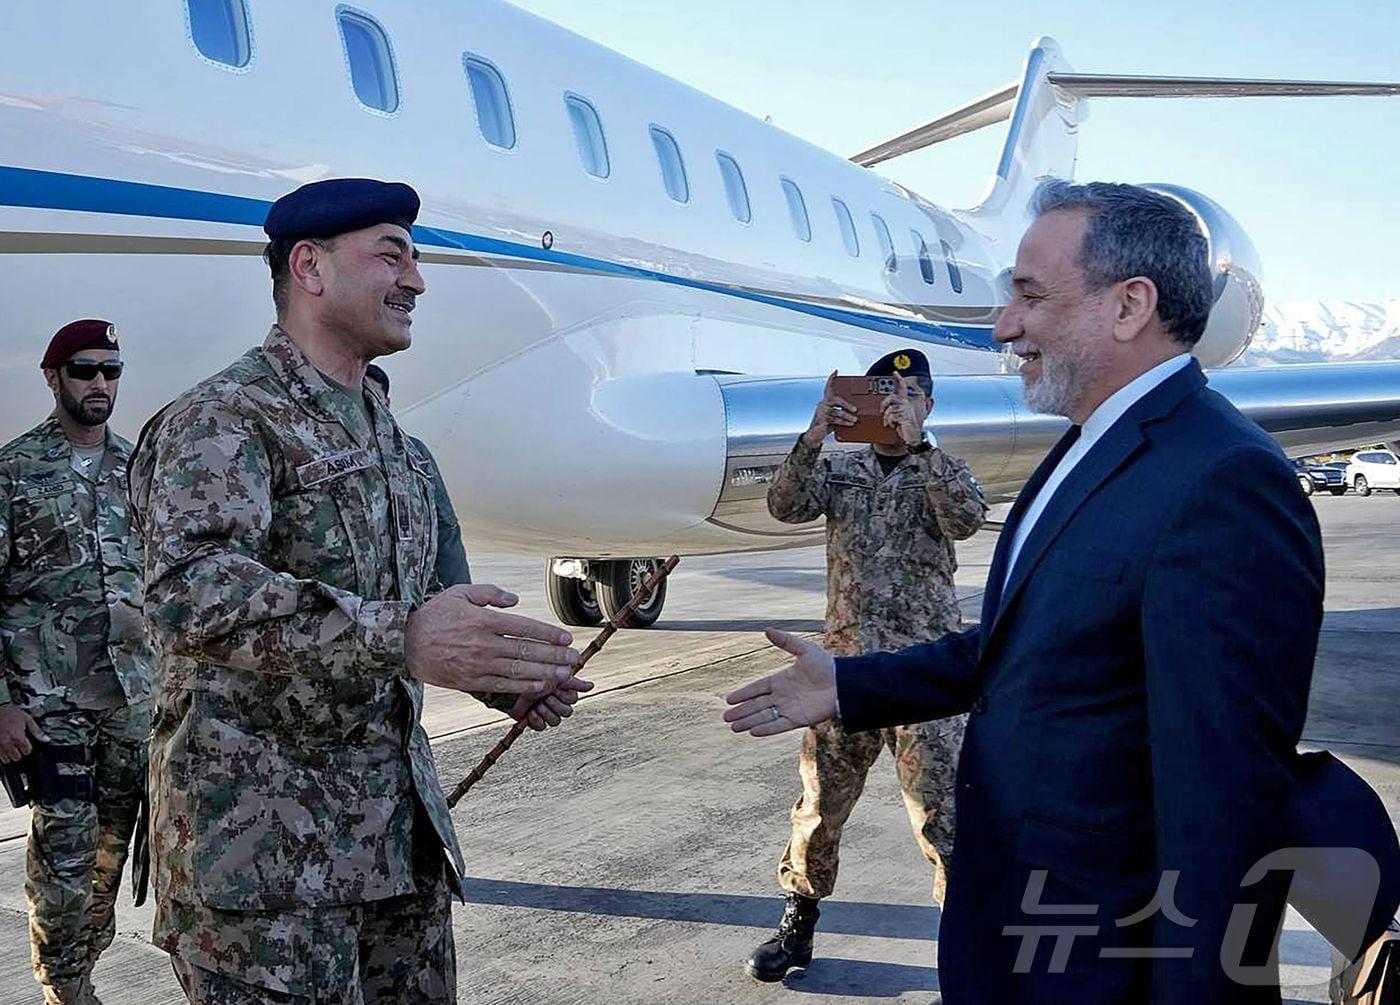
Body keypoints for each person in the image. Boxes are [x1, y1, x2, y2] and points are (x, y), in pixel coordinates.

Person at [726, 180, 1329, 1003]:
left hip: (1093, 958)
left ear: (1130, 306)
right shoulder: (1088, 447)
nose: (1004, 325)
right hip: (1019, 942)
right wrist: (846, 681)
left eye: (1029, 294)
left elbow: (1225, 807)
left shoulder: (1224, 479)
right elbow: (1022, 645)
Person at [127, 178, 591, 1003]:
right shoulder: (225, 419)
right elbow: (189, 592)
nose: (416, 279)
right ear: (309, 267)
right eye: (392, 254)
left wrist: (505, 676)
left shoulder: (401, 449)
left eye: (414, 257)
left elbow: (441, 610)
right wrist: (401, 637)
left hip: (396, 851)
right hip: (263, 868)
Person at [746, 349, 987, 982]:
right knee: (820, 805)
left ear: (928, 405)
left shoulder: (944, 469)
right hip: (842, 676)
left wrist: (921, 446)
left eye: (908, 394)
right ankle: (798, 921)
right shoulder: (842, 469)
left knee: (945, 816)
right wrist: (815, 432)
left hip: (923, 678)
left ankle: (966, 948)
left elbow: (966, 519)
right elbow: (784, 505)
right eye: (884, 391)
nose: (893, 403)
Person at [0, 320, 154, 1004]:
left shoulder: (137, 468)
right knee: (62, 856)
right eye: (85, 368)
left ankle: (82, 972)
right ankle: (63, 987)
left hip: (130, 700)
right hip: (46, 704)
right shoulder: (14, 471)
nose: (100, 382)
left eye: (111, 370)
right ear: (53, 376)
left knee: (108, 856)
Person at [364, 364, 471, 588]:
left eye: (373, 399)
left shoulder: (414, 452)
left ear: (387, 404)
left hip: (415, 599)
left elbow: (445, 527)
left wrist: (460, 596)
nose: (367, 408)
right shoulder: (320, 450)